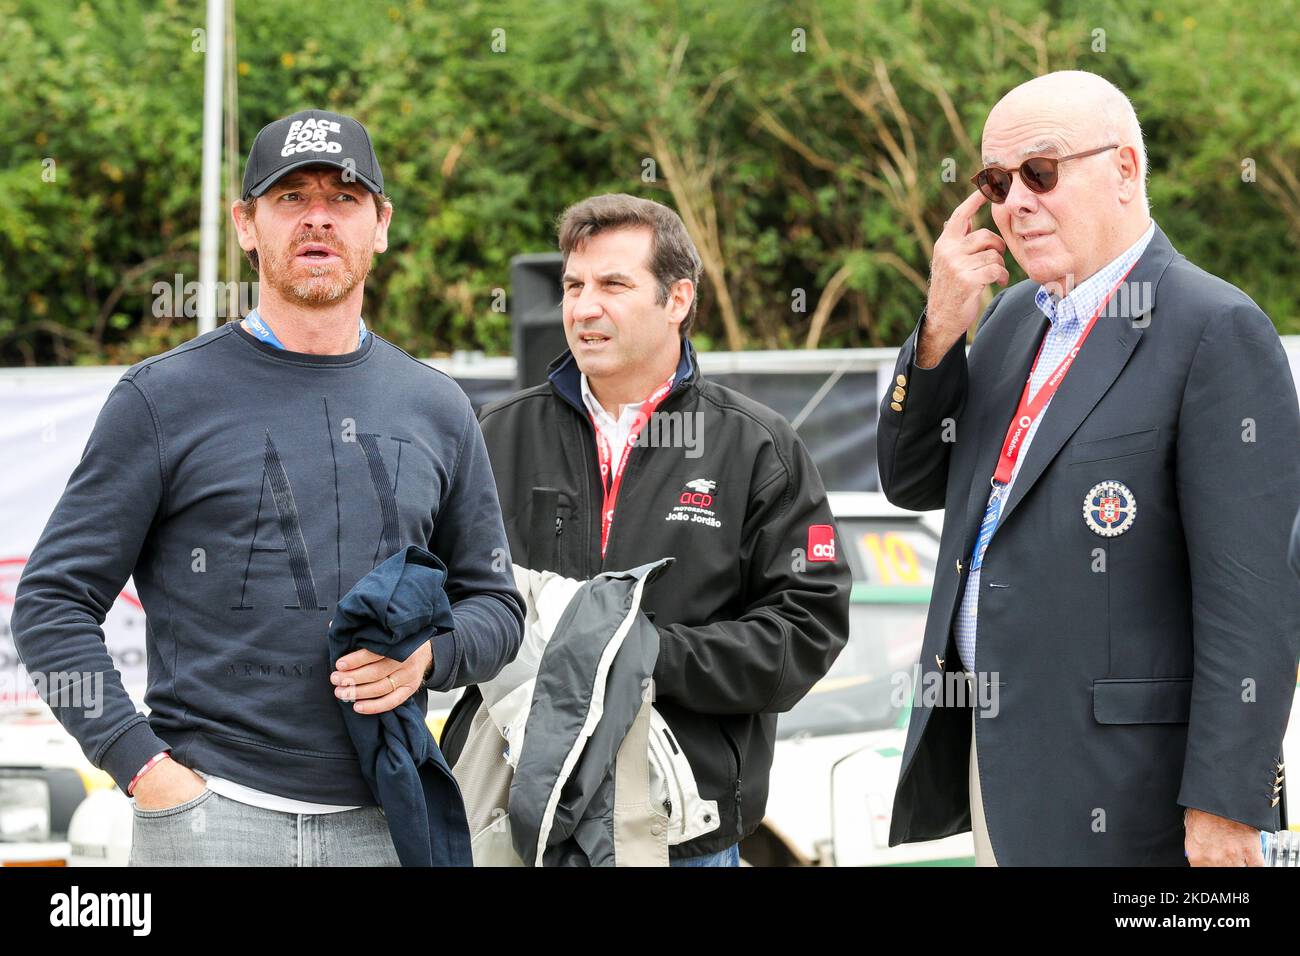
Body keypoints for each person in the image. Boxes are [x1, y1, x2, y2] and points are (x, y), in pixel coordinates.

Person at [11, 109, 524, 866]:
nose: (318, 217)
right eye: (290, 198)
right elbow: (51, 603)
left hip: (386, 820)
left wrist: (427, 657)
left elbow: (496, 605)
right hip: (209, 820)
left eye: (344, 197)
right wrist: (144, 770)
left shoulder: (437, 406)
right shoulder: (163, 398)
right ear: (246, 224)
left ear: (380, 223)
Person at [878, 72, 1300, 866]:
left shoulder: (1215, 328)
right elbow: (912, 481)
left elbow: (1256, 601)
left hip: (1131, 786)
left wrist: (1227, 803)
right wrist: (938, 331)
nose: (1015, 203)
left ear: (1126, 170)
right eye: (995, 183)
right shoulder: (1005, 322)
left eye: (1041, 172)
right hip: (999, 761)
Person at [439, 193, 851, 865]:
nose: (584, 306)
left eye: (613, 284)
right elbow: (446, 604)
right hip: (515, 822)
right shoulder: (494, 434)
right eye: (573, 285)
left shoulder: (754, 447)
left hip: (683, 833)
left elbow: (805, 635)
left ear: (678, 300)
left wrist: (640, 656)